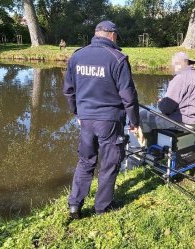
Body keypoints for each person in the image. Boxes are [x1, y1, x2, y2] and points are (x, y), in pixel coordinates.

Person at [63, 20, 139, 219]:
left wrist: (77, 113)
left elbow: (69, 91)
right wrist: (134, 122)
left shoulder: (76, 56)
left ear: (97, 34)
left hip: (86, 119)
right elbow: (128, 96)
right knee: (109, 163)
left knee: (85, 161)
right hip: (110, 120)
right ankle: (102, 207)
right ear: (112, 35)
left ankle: (75, 205)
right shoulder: (118, 58)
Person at [138, 51, 195, 146]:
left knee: (143, 116)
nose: (173, 69)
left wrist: (161, 103)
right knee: (154, 116)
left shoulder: (180, 78)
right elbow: (189, 101)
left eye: (173, 65)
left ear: (178, 64)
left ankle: (150, 149)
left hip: (184, 123)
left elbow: (166, 109)